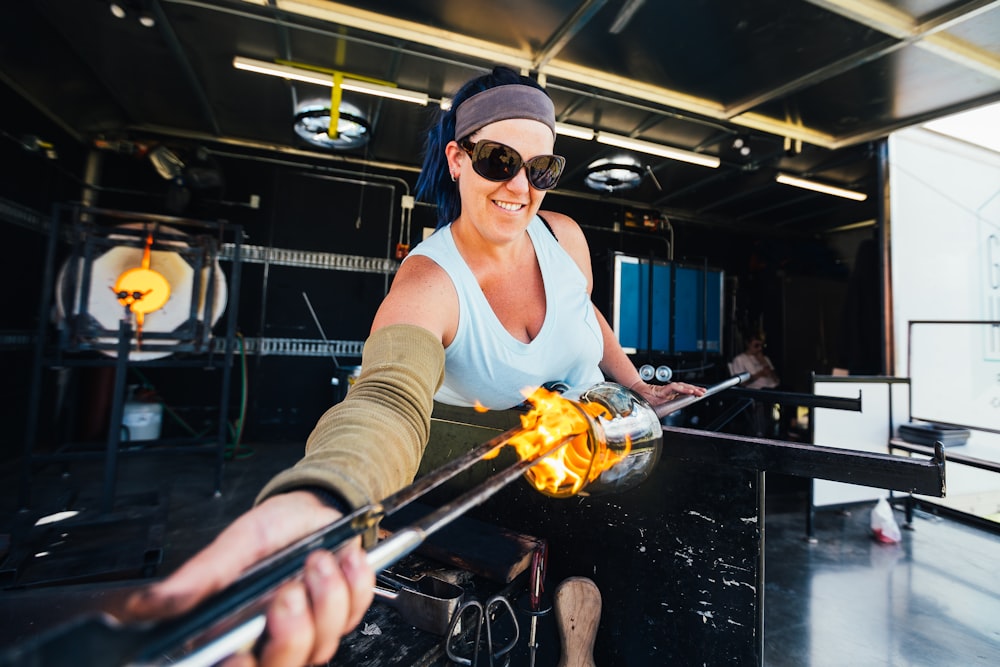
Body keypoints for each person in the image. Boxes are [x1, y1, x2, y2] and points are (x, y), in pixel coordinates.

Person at [124, 65, 706, 665]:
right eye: (499, 161)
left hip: (607, 467)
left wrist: (635, 384)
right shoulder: (431, 282)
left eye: (541, 169)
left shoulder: (563, 234)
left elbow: (586, 314)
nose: (521, 187)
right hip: (505, 505)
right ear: (458, 159)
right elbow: (386, 399)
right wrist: (326, 501)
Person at [729, 333, 779, 435]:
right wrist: (759, 374)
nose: (759, 349)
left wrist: (764, 362)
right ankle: (761, 432)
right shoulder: (740, 359)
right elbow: (742, 383)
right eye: (756, 345)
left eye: (761, 346)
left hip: (773, 389)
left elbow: (776, 379)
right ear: (748, 344)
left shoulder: (764, 359)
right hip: (755, 390)